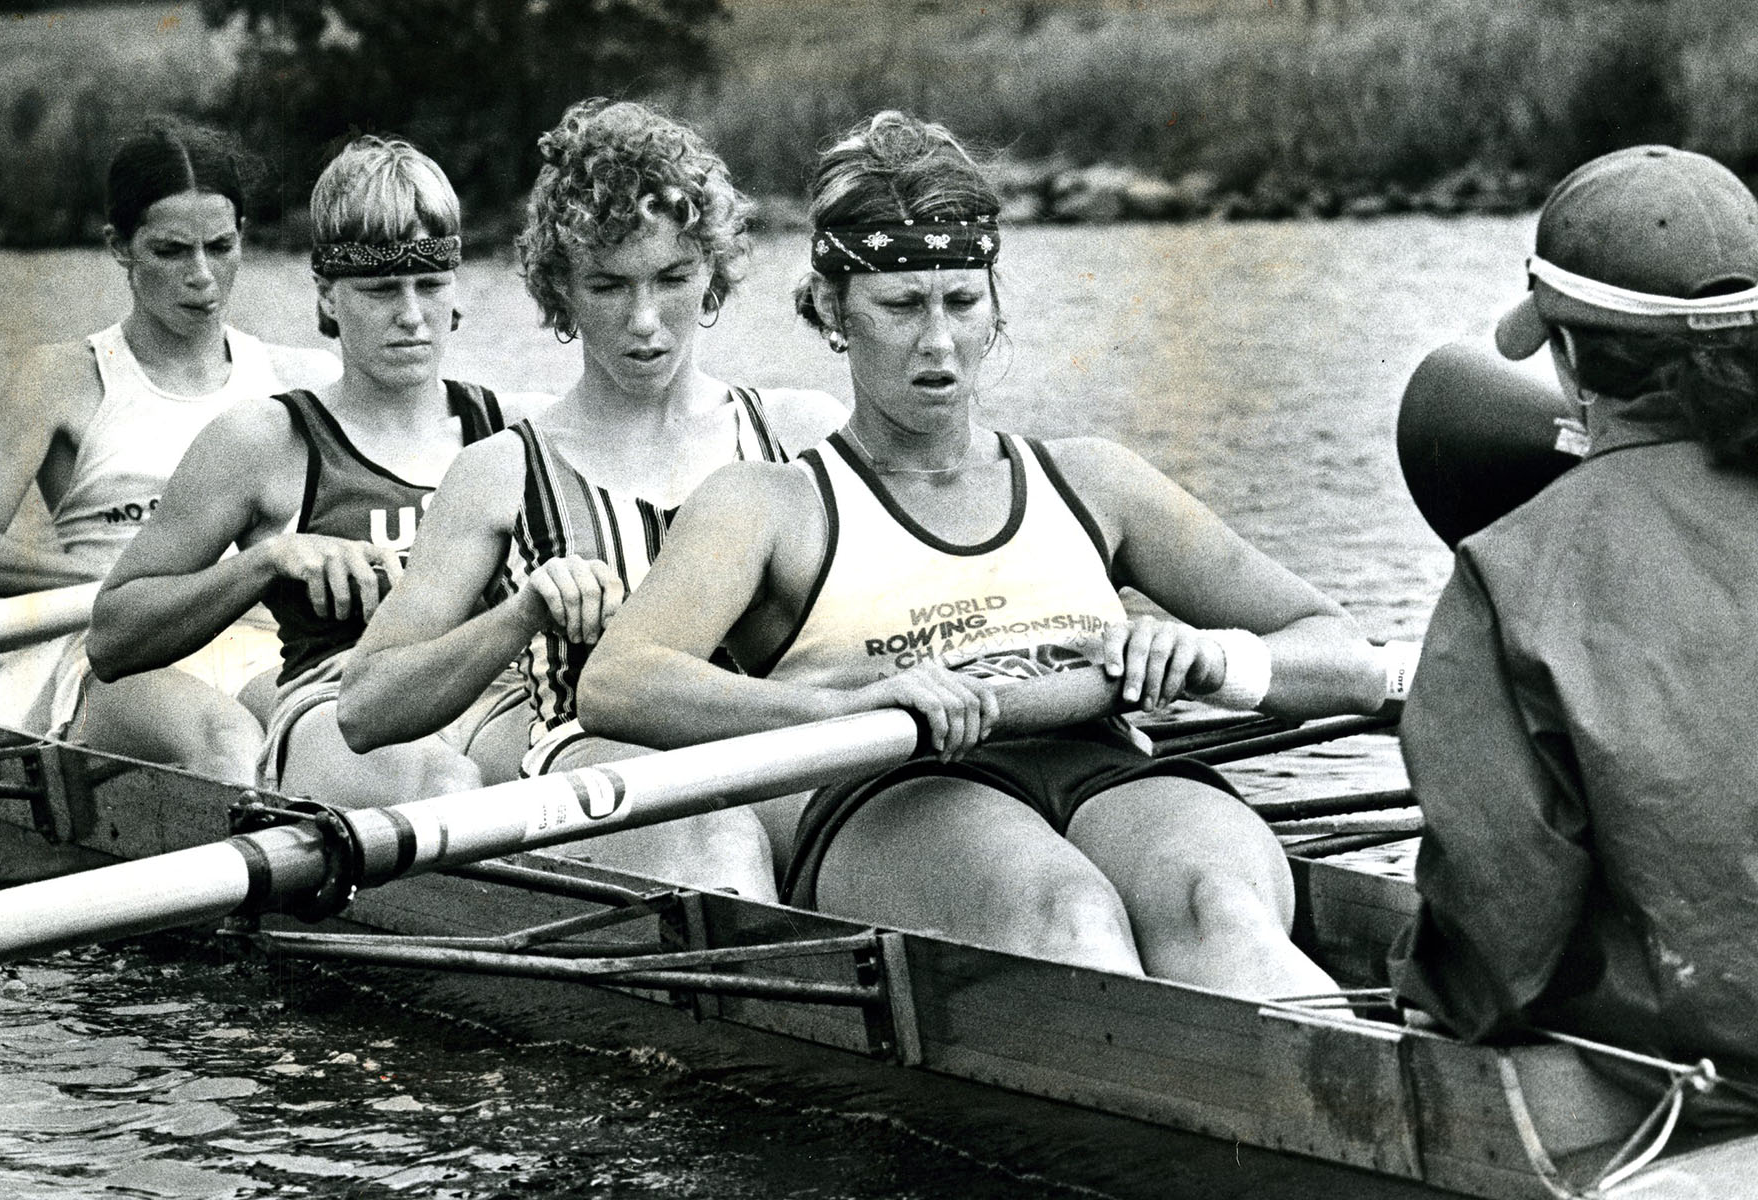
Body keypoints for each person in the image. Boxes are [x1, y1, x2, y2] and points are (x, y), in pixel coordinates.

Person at [575, 111, 1394, 994]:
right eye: (900, 306)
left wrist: (1212, 660)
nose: (937, 343)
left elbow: (1343, 658)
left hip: (1103, 766)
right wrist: (851, 707)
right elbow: (619, 683)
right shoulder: (770, 504)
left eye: (961, 301)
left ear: (994, 304)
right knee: (1067, 917)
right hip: (893, 792)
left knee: (1220, 908)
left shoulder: (1095, 481)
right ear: (830, 309)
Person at [338, 99, 844, 890]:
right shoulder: (502, 473)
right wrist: (522, 611)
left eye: (673, 278)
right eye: (608, 286)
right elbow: (365, 710)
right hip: (585, 758)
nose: (646, 323)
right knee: (719, 841)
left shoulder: (801, 431)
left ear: (711, 272)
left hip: (775, 739)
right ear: (560, 291)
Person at [1390, 145, 1758, 1085]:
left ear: (1566, 356)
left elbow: (1500, 950)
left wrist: (1430, 982)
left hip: (1703, 1060)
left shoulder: (1509, 570)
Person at [88, 135, 545, 801]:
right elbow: (111, 638)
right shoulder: (263, 441)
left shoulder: (511, 428)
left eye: (431, 285)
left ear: (457, 290)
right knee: (447, 784)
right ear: (329, 298)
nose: (413, 317)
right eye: (383, 290)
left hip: (492, 696)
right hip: (338, 710)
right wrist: (268, 561)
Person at [0, 119, 337, 781]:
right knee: (227, 741)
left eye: (220, 247)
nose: (202, 277)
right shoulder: (61, 378)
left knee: (338, 738)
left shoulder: (300, 380)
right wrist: (126, 595)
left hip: (259, 646)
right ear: (119, 248)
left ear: (243, 238)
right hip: (117, 655)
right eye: (170, 251)